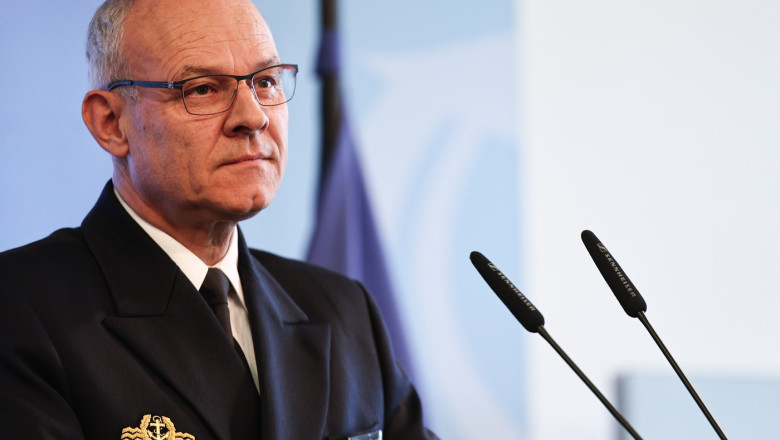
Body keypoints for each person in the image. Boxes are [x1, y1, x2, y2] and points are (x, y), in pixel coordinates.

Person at [0, 0, 437, 438]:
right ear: (111, 122)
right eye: (203, 89)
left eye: (265, 81)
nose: (253, 116)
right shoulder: (20, 310)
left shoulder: (345, 310)